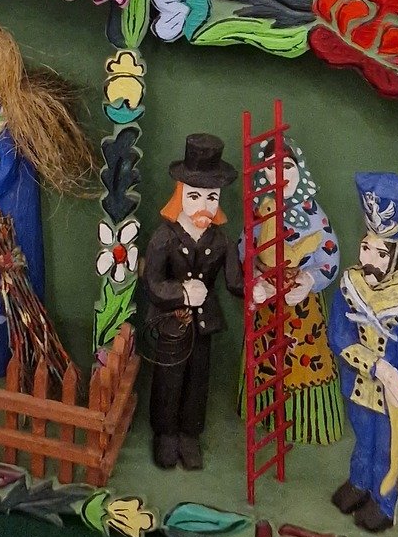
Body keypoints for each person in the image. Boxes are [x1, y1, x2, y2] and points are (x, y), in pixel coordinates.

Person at [0, 21, 92, 379]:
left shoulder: (11, 123)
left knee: (5, 280)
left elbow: (6, 169)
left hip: (11, 220)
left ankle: (5, 357)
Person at [329, 172, 398, 533]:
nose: (369, 259)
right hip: (360, 386)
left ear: (395, 257)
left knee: (387, 448)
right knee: (364, 439)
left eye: (380, 253)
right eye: (366, 248)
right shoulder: (349, 286)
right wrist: (376, 366)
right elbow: (339, 336)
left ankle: (384, 503)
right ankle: (359, 484)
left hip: (395, 400)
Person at [143, 134, 242, 470]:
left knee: (198, 379)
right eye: (195, 195)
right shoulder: (163, 238)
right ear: (180, 194)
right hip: (171, 323)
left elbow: (234, 282)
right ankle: (165, 434)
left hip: (204, 324)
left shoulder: (222, 241)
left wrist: (257, 288)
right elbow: (153, 283)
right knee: (169, 379)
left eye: (212, 197)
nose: (204, 205)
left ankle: (189, 434)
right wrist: (182, 292)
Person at [238, 140, 343, 444]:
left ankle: (307, 421)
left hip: (302, 309)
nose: (279, 174)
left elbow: (330, 255)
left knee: (304, 363)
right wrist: (256, 279)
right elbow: (245, 250)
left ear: (299, 170)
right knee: (265, 363)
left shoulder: (313, 214)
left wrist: (309, 280)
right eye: (271, 167)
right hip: (267, 304)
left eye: (286, 166)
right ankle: (264, 414)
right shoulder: (261, 210)